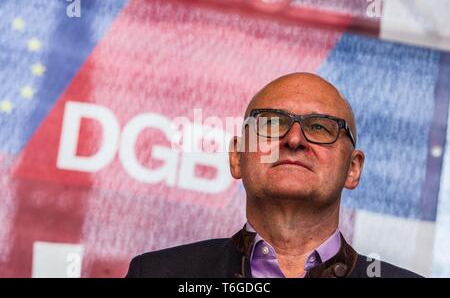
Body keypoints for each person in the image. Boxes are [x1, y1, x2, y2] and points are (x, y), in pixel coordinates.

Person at [126, 73, 421, 278]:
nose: (294, 140)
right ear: (237, 156)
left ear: (353, 168)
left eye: (320, 127)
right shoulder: (156, 273)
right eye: (271, 123)